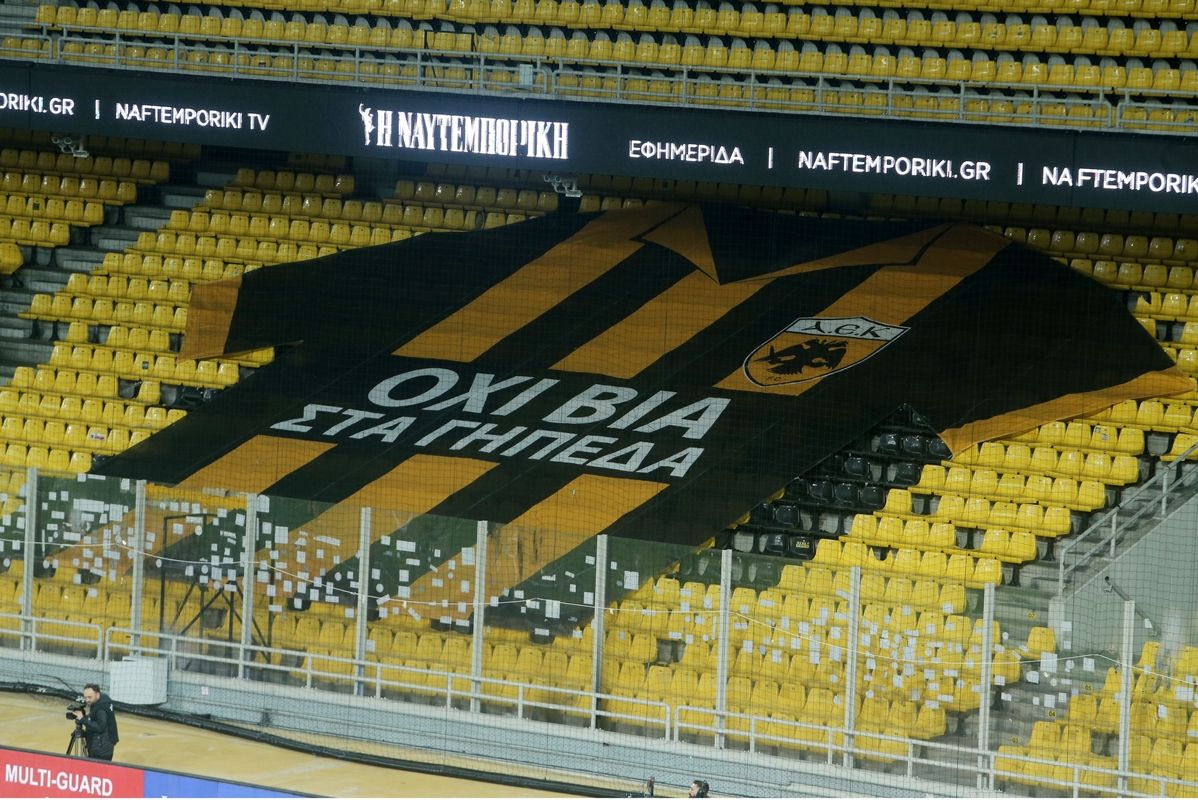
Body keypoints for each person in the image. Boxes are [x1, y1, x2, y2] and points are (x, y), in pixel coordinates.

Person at [71, 683, 119, 761]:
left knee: (97, 768)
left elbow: (100, 727)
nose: (87, 700)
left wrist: (83, 719)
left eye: (90, 697)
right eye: (85, 697)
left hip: (100, 749)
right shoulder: (104, 698)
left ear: (97, 694)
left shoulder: (101, 709)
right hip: (106, 743)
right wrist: (88, 716)